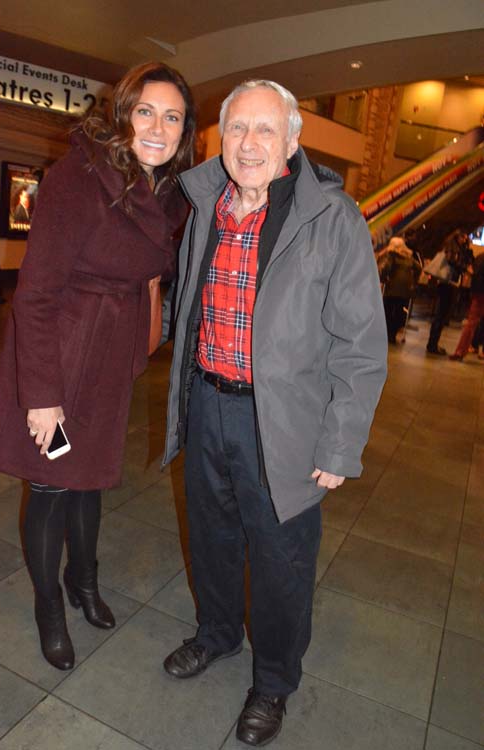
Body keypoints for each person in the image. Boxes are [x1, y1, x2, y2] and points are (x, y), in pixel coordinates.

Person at [161, 80, 387, 747]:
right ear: (218, 140)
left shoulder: (332, 219)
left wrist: (340, 445)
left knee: (283, 561)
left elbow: (361, 344)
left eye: (265, 130)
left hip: (284, 422)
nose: (249, 144)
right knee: (213, 539)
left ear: (292, 142)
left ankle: (274, 681)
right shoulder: (205, 204)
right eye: (237, 130)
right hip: (208, 404)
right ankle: (218, 635)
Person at [0, 61, 195, 671]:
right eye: (146, 111)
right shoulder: (78, 177)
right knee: (52, 486)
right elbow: (37, 293)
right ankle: (49, 604)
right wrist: (41, 395)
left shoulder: (166, 191)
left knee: (92, 478)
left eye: (173, 116)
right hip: (60, 355)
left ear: (186, 130)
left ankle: (84, 582)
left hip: (109, 359)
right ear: (123, 112)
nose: (158, 127)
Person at [426, 229, 468, 355]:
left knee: (442, 313)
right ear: (458, 237)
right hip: (447, 283)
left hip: (445, 283)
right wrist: (464, 268)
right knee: (441, 313)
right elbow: (452, 261)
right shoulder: (452, 247)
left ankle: (433, 343)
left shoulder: (450, 246)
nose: (465, 240)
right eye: (463, 237)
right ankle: (432, 344)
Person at [378, 236, 422, 344]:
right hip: (406, 289)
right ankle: (393, 334)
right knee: (399, 312)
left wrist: (383, 279)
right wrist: (413, 281)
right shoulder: (408, 257)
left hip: (392, 287)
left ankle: (387, 333)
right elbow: (418, 268)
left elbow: (386, 268)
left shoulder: (391, 255)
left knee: (388, 310)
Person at [449, 251, 484, 361]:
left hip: (477, 293)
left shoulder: (480, 257)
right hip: (480, 294)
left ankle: (460, 351)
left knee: (470, 324)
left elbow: (473, 273)